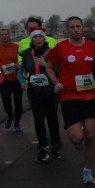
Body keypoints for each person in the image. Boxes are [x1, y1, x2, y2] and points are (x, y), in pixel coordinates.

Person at [45, 16, 95, 185]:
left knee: (91, 135)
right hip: (69, 98)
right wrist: (56, 82)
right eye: (72, 27)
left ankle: (87, 171)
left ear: (82, 28)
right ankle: (76, 140)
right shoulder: (61, 47)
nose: (75, 29)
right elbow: (48, 66)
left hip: (91, 96)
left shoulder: (93, 46)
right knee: (76, 138)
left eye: (78, 26)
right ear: (68, 29)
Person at [20, 29, 62, 162]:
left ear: (44, 39)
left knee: (52, 117)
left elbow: (59, 70)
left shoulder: (52, 52)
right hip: (34, 90)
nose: (38, 39)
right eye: (35, 37)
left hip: (50, 89)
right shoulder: (27, 53)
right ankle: (43, 146)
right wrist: (23, 79)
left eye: (40, 37)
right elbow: (23, 69)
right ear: (32, 40)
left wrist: (46, 65)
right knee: (38, 119)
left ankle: (55, 144)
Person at [0, 27, 24, 132]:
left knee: (18, 103)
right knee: (6, 103)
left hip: (17, 79)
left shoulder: (17, 47)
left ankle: (17, 122)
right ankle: (10, 116)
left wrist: (19, 65)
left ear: (9, 35)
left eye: (6, 34)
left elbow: (23, 62)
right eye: (2, 35)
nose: (4, 36)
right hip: (4, 80)